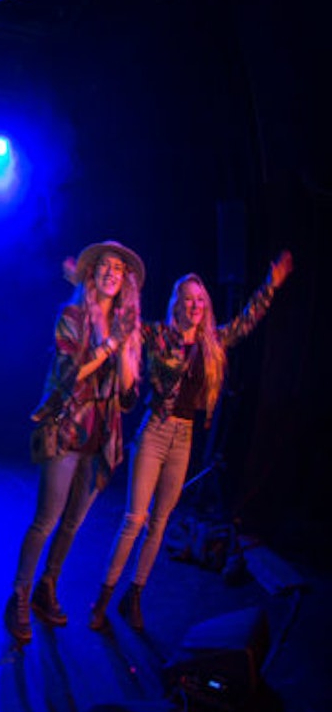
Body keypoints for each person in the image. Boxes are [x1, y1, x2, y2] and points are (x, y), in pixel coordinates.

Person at [89, 250, 293, 630]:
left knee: (160, 522)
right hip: (154, 431)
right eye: (188, 299)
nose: (195, 305)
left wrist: (271, 286)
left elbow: (246, 322)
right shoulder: (158, 335)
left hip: (183, 439)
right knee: (135, 519)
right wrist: (109, 289)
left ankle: (134, 596)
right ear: (177, 304)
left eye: (200, 300)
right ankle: (102, 599)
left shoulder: (212, 342)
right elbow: (125, 324)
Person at [6, 241, 144, 643]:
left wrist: (126, 351)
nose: (112, 272)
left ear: (125, 280)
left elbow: (128, 397)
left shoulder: (124, 327)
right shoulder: (72, 316)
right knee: (46, 520)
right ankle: (19, 595)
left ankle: (47, 587)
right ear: (92, 274)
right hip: (68, 430)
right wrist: (111, 344)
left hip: (101, 438)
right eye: (105, 265)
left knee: (73, 523)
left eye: (119, 268)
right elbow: (69, 376)